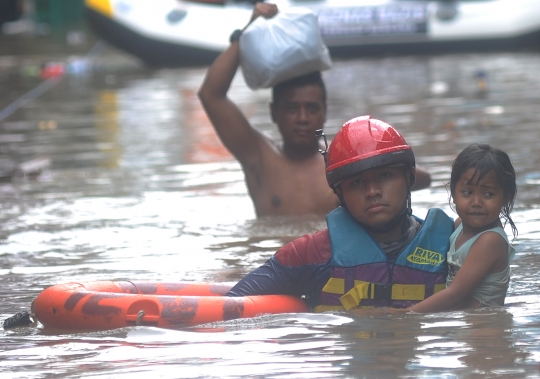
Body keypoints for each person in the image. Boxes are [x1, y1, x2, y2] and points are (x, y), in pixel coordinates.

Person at [197, 2, 432, 217]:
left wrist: (374, 164)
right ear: (274, 113)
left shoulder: (342, 163)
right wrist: (245, 34)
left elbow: (422, 178)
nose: (302, 118)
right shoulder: (257, 157)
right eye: (291, 109)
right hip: (275, 259)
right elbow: (210, 94)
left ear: (324, 112)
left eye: (311, 108)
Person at [226, 115, 454, 311]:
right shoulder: (312, 253)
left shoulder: (451, 246)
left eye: (385, 176)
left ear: (409, 178)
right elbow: (234, 303)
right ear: (339, 193)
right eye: (356, 183)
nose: (372, 191)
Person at [406, 143, 517, 312]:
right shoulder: (459, 226)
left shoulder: (490, 240)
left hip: (484, 328)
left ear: (506, 198)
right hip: (463, 323)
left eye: (488, 194)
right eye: (467, 192)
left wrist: (404, 314)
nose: (476, 203)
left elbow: (455, 293)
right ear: (453, 194)